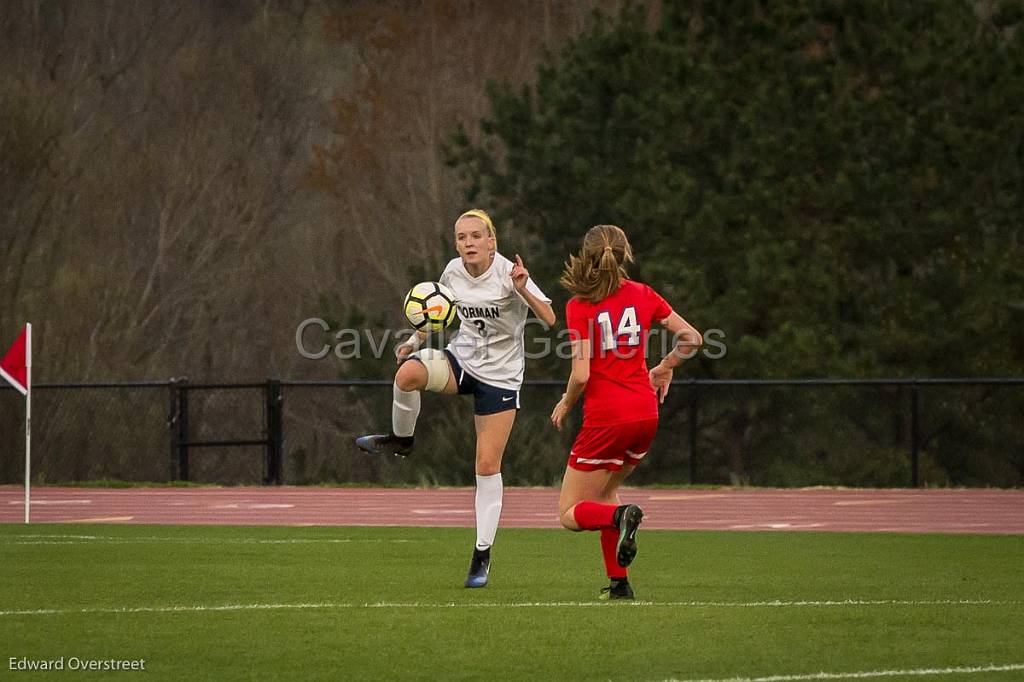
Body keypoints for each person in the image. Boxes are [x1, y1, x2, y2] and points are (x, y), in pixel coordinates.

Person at [357, 209, 556, 588]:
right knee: (407, 374)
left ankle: (482, 555)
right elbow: (437, 316)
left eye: (476, 236)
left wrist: (523, 288)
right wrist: (414, 341)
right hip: (461, 360)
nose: (468, 243)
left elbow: (549, 318)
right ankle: (402, 440)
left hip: (500, 377)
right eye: (462, 237)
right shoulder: (451, 271)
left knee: (485, 465)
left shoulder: (509, 274)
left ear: (491, 241)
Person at [550, 224, 702, 600]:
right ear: (625, 254)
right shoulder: (642, 294)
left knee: (570, 512)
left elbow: (581, 374)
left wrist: (567, 402)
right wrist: (665, 366)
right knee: (605, 495)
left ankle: (621, 519)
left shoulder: (579, 305)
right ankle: (619, 584)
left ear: (586, 257)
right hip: (645, 414)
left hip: (607, 418)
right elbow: (693, 339)